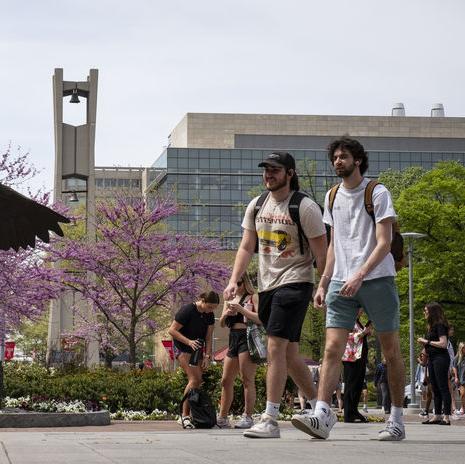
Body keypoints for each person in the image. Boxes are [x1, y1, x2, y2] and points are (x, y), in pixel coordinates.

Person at [292, 136, 406, 441]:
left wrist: (360, 274)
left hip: (377, 279)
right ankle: (321, 414)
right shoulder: (331, 196)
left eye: (343, 157)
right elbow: (333, 246)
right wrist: (324, 282)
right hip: (341, 281)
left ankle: (395, 419)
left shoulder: (377, 192)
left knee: (391, 351)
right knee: (331, 349)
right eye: (335, 158)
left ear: (357, 160)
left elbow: (384, 242)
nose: (337, 162)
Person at [223, 151, 327, 439]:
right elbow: (246, 247)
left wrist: (322, 285)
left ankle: (270, 418)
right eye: (266, 170)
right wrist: (234, 280)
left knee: (275, 347)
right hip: (267, 285)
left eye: (275, 170)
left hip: (296, 282)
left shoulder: (305, 207)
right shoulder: (256, 206)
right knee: (291, 354)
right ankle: (322, 410)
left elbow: (322, 252)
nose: (268, 175)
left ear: (289, 173)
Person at [168, 291, 220, 429]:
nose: (211, 310)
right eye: (209, 307)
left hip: (197, 350)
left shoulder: (209, 315)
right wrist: (189, 342)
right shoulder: (187, 310)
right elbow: (172, 330)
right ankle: (184, 415)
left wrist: (208, 356)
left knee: (198, 380)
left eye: (214, 308)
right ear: (202, 301)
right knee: (194, 380)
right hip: (182, 347)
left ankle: (192, 414)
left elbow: (208, 337)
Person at [217, 273, 260, 429]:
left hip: (247, 337)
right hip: (232, 338)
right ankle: (222, 417)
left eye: (239, 283)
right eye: (235, 283)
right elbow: (221, 323)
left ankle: (247, 416)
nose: (237, 287)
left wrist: (242, 310)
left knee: (247, 379)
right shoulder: (228, 298)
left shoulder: (252, 297)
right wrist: (226, 314)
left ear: (245, 283)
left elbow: (260, 319)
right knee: (226, 380)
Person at [418, 302, 452, 425]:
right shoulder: (431, 327)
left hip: (441, 358)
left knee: (443, 387)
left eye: (426, 311)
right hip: (432, 359)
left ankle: (446, 417)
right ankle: (437, 415)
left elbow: (443, 344)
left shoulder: (440, 325)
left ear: (432, 312)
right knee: (435, 388)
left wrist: (426, 341)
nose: (424, 313)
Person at [341, 314, 372, 422]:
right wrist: (364, 332)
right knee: (351, 385)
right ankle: (348, 413)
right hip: (351, 358)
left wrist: (366, 332)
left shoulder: (358, 322)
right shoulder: (348, 320)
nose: (361, 312)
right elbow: (347, 337)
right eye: (359, 309)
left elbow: (359, 338)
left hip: (359, 357)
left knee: (358, 385)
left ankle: (354, 410)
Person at [416, 351, 433, 418]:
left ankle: (440, 410)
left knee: (433, 394)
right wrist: (425, 378)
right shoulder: (427, 362)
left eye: (423, 356)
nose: (422, 357)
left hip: (433, 378)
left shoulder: (430, 360)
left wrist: (419, 360)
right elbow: (425, 367)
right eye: (421, 356)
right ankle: (426, 411)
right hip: (429, 379)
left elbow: (423, 364)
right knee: (429, 394)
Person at [452, 342, 465, 416]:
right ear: (460, 348)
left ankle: (463, 409)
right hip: (461, 379)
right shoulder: (457, 358)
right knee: (462, 394)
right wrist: (456, 377)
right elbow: (454, 367)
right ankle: (463, 409)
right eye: (463, 348)